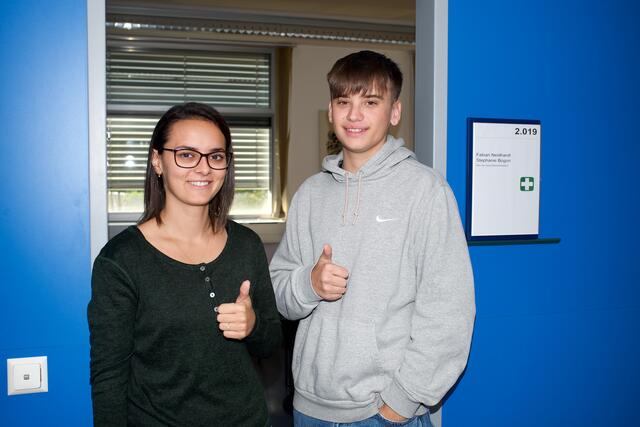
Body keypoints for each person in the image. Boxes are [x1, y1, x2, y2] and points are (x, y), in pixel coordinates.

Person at [270, 50, 475, 426]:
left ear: (394, 112)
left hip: (382, 412)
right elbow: (280, 293)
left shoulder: (425, 191)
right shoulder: (309, 194)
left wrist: (400, 403)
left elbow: (449, 313)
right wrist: (309, 284)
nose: (353, 114)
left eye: (370, 102)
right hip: (309, 408)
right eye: (343, 101)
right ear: (331, 111)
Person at [88, 102, 281, 427]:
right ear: (157, 160)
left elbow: (270, 342)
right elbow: (109, 376)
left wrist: (253, 325)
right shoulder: (121, 260)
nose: (204, 168)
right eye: (187, 154)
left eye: (216, 156)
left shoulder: (246, 244)